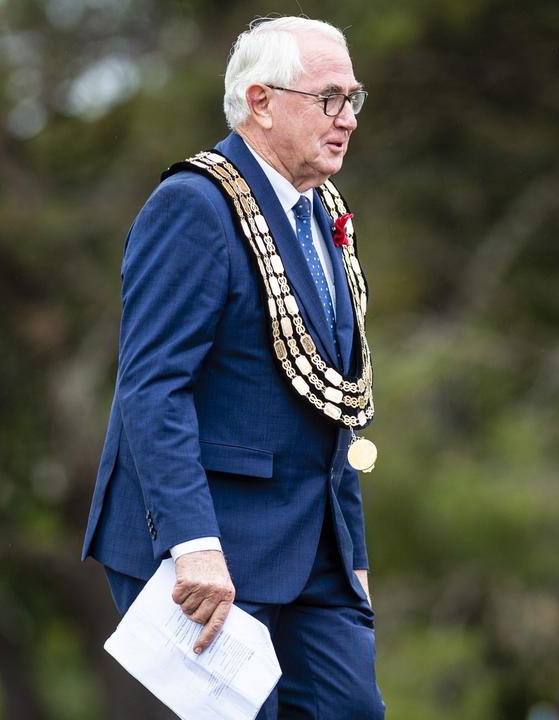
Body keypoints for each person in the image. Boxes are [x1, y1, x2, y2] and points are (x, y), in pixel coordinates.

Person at [79, 16, 385, 718]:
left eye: (353, 99)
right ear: (260, 101)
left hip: (314, 546)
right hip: (207, 543)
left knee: (354, 709)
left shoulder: (323, 212)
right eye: (328, 99)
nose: (347, 120)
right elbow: (153, 389)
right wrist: (192, 543)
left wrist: (355, 554)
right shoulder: (193, 205)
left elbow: (336, 400)